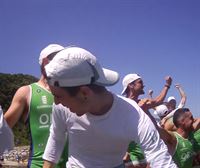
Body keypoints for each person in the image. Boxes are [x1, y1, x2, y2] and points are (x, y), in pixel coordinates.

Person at [42, 46, 177, 168]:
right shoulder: (61, 107)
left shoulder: (132, 114)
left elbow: (159, 157)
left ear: (85, 93)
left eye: (58, 96)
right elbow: (56, 137)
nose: (56, 102)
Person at [4, 44, 68, 168]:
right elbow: (4, 128)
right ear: (45, 62)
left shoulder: (71, 93)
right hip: (38, 164)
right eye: (61, 60)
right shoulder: (27, 92)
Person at [121, 73, 172, 168]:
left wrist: (167, 85)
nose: (143, 85)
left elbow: (158, 100)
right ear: (131, 85)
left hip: (147, 151)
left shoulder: (141, 103)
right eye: (140, 82)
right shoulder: (121, 105)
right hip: (133, 154)